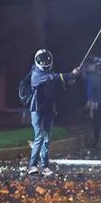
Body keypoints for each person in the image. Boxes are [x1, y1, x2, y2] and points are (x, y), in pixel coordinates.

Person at [27, 49, 80, 177]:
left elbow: (60, 82)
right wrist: (70, 74)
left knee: (46, 139)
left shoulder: (49, 73)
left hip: (49, 110)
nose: (45, 62)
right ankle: (32, 165)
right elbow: (55, 77)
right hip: (37, 109)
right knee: (39, 137)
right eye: (43, 59)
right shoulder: (36, 74)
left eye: (47, 59)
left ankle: (44, 166)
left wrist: (72, 78)